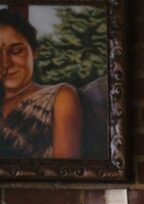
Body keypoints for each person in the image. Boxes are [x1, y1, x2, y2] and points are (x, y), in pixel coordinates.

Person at [0, 9, 82, 159]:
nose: (5, 63)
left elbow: (66, 170)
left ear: (34, 52)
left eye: (16, 51)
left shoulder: (60, 96)